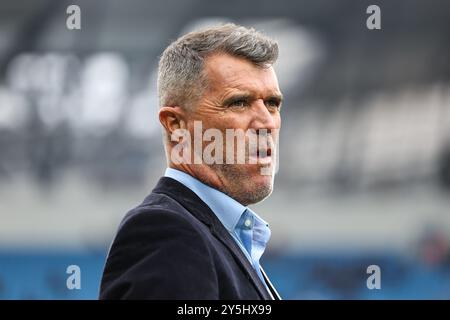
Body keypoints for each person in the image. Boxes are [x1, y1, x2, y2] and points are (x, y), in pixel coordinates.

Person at [99, 23, 283, 299]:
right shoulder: (165, 232)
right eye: (239, 103)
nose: (267, 122)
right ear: (175, 125)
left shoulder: (219, 234)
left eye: (272, 103)